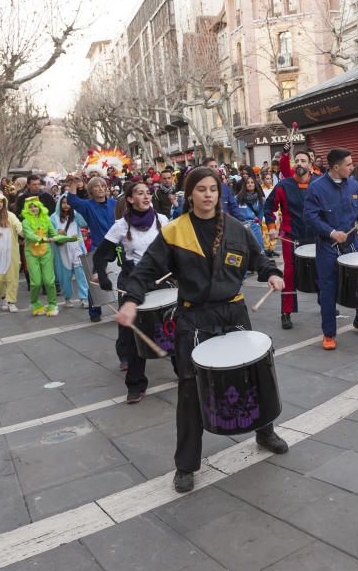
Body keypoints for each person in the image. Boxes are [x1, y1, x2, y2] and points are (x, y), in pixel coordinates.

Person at [115, 167, 288, 493]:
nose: (208, 194)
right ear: (189, 194)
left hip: (234, 310)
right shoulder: (174, 232)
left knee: (256, 374)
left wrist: (272, 272)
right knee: (190, 388)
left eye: (213, 189)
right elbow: (144, 271)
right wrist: (131, 301)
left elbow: (259, 259)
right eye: (201, 189)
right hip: (194, 318)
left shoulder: (236, 228)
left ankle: (265, 432)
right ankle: (186, 464)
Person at [93, 181, 168, 403]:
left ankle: (181, 367)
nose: (145, 197)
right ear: (130, 199)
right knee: (133, 334)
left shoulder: (162, 221)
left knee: (171, 325)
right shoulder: (120, 226)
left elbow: (176, 248)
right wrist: (103, 276)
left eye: (148, 193)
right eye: (139, 193)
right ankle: (135, 384)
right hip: (134, 282)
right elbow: (100, 256)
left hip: (161, 280)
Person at [304, 148, 358, 350]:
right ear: (336, 167)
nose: (352, 167)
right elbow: (310, 217)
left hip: (352, 242)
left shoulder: (353, 184)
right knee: (328, 288)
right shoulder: (316, 187)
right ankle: (329, 333)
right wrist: (330, 232)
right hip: (328, 245)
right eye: (348, 164)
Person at [264, 149, 315, 330]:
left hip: (315, 237)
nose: (299, 163)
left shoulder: (318, 183)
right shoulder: (283, 185)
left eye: (303, 160)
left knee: (322, 272)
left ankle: (327, 305)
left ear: (310, 164)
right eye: (297, 160)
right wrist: (271, 227)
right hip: (290, 238)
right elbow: (268, 207)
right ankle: (286, 312)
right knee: (290, 274)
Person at [65, 176, 117, 323]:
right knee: (95, 281)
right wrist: (74, 184)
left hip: (117, 246)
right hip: (98, 248)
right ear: (90, 190)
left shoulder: (115, 203)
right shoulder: (88, 205)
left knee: (120, 277)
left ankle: (123, 307)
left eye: (103, 185)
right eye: (96, 186)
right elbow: (72, 201)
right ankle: (95, 312)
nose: (100, 188)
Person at [20, 198, 59, 317]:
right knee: (36, 282)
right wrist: (43, 239)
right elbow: (30, 236)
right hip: (31, 254)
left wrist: (64, 237)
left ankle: (52, 304)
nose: (33, 209)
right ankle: (35, 303)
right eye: (30, 207)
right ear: (27, 210)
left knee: (48, 280)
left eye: (35, 206)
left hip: (46, 253)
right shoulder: (25, 222)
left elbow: (54, 234)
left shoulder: (46, 220)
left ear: (39, 207)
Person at [51, 195, 89, 308]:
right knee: (65, 276)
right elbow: (50, 232)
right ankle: (67, 298)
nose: (66, 205)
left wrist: (78, 209)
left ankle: (84, 298)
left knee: (81, 274)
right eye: (63, 203)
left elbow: (84, 223)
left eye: (68, 203)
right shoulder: (54, 217)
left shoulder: (76, 215)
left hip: (77, 248)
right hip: (62, 250)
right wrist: (57, 232)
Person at [232, 176, 266, 253]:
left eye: (252, 182)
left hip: (255, 227)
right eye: (248, 183)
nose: (250, 184)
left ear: (255, 184)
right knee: (244, 252)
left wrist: (258, 224)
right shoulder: (237, 198)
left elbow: (260, 215)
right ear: (245, 185)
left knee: (259, 251)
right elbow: (234, 213)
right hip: (242, 227)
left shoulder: (261, 199)